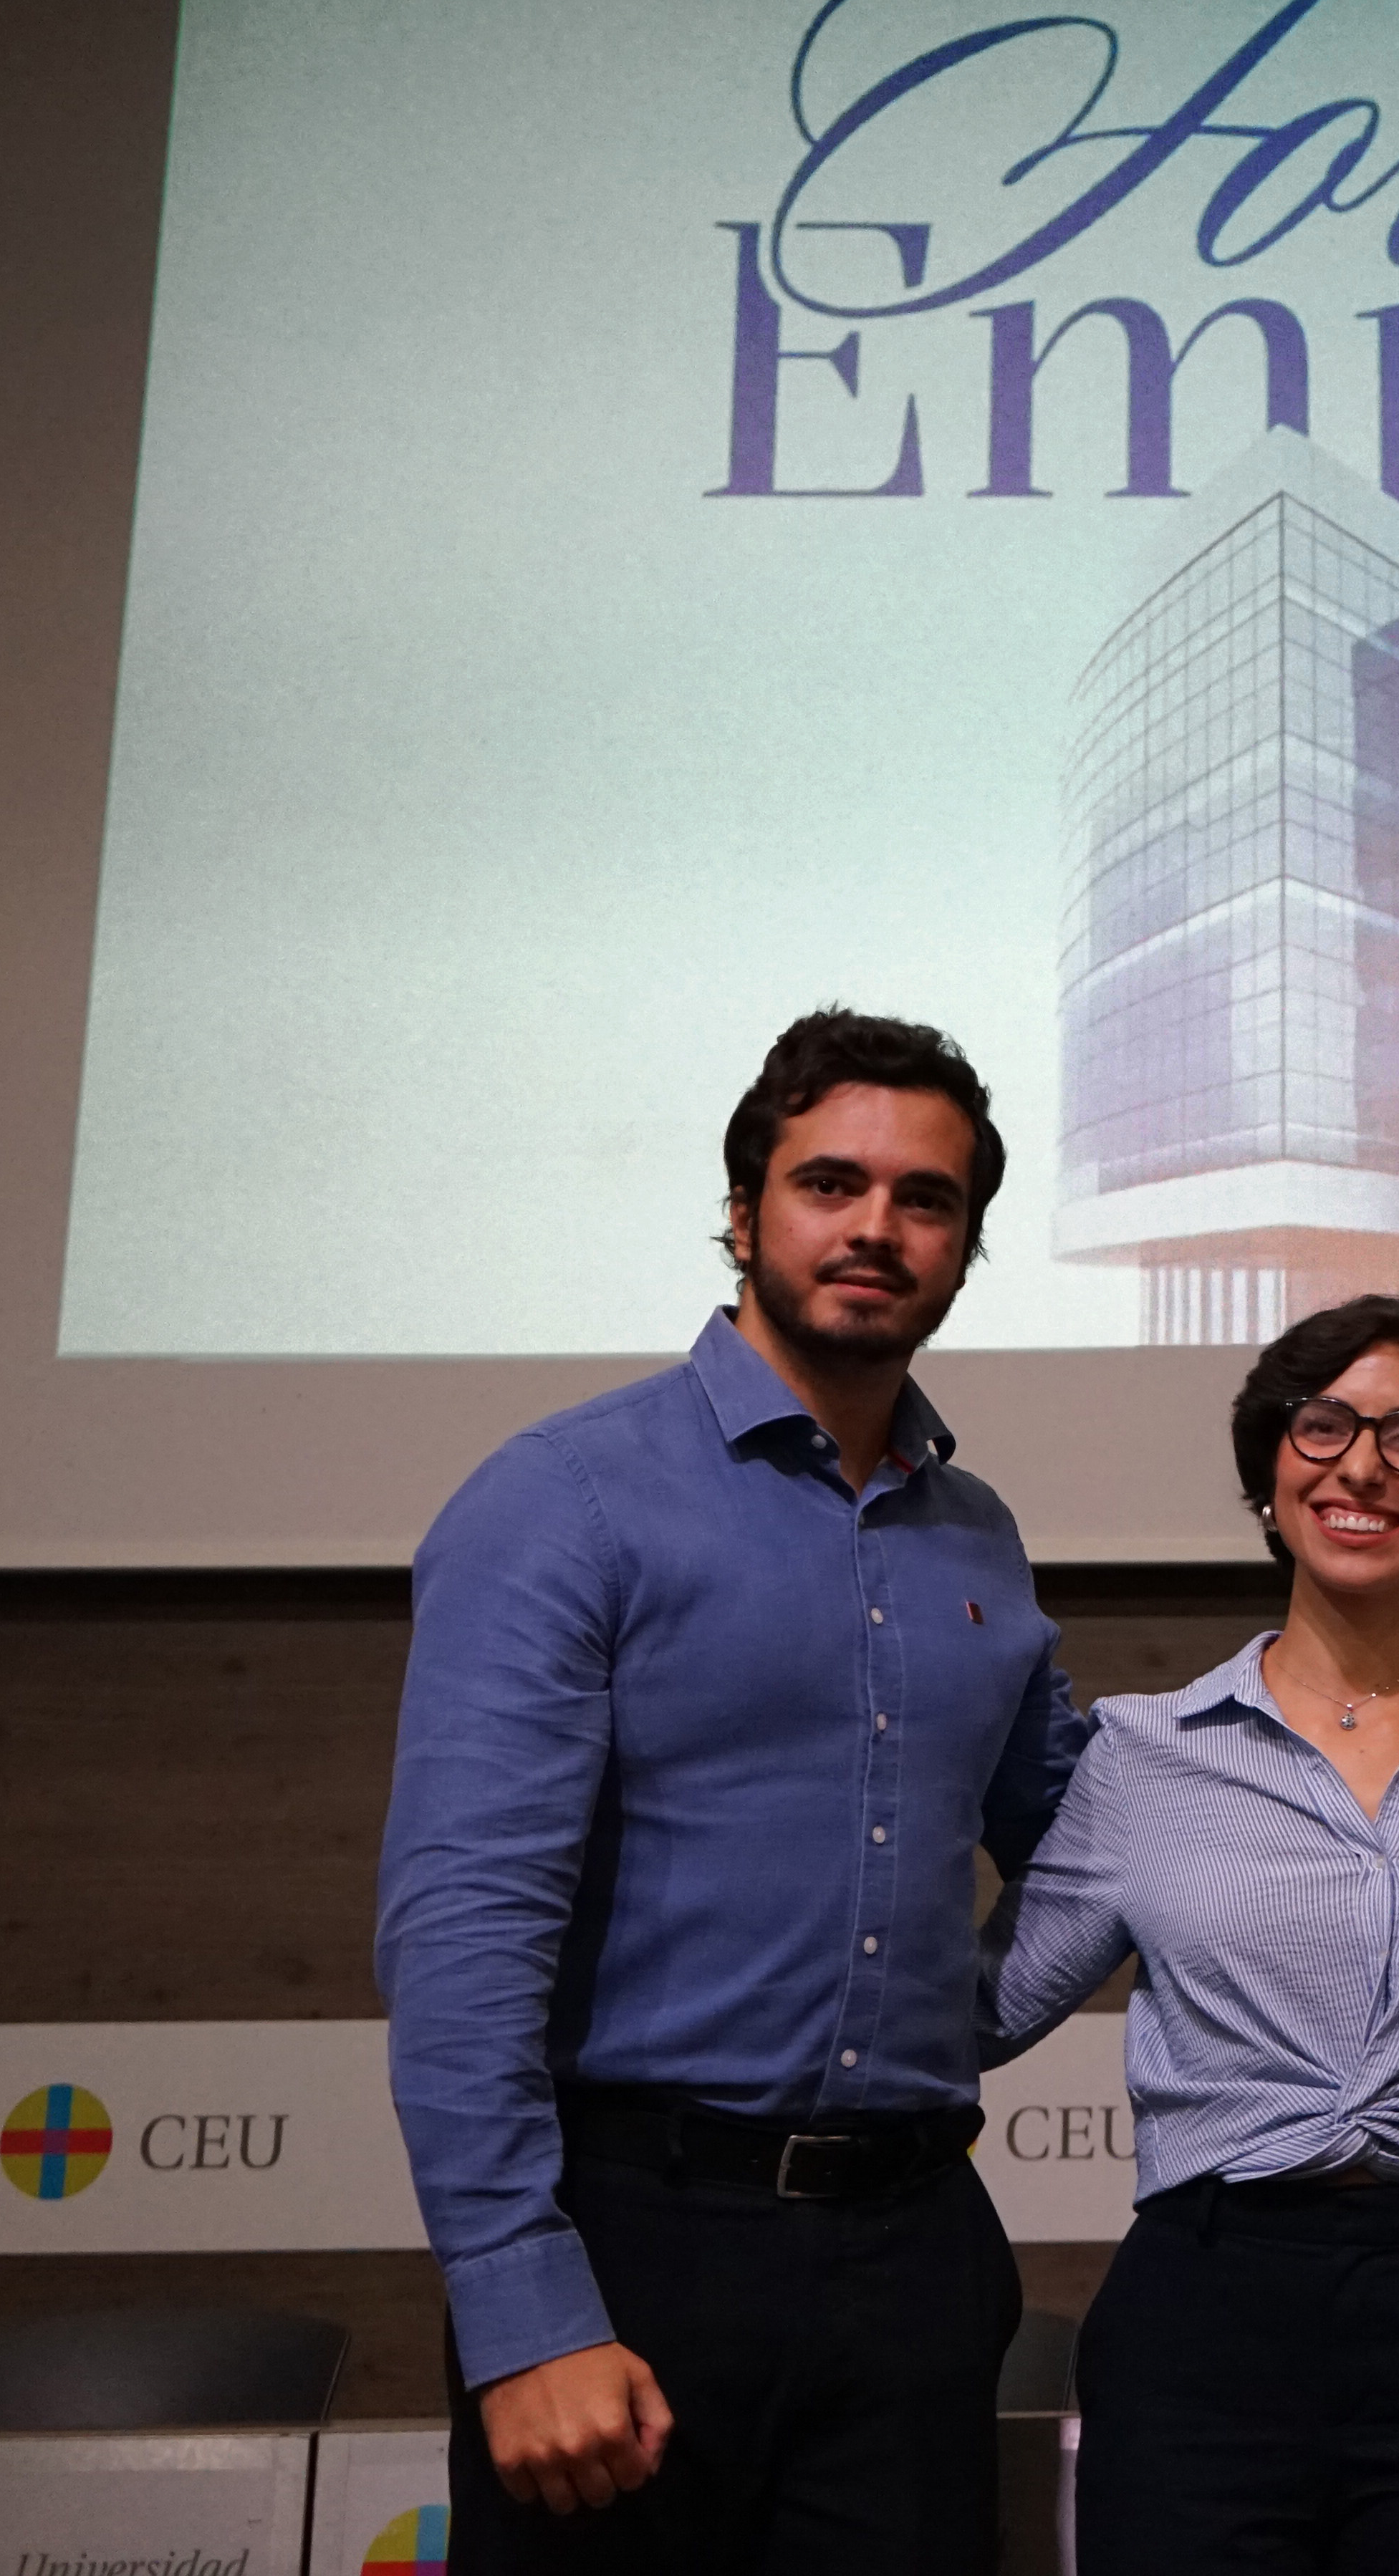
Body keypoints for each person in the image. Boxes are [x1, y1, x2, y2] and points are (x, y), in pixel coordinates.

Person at [374, 1009, 1087, 2576]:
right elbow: (465, 1933)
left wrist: (965, 2013)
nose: (876, 1227)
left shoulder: (976, 1531)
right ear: (746, 1209)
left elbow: (1089, 1839)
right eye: (832, 1182)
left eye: (926, 1199)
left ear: (967, 1246)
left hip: (914, 2263)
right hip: (634, 2259)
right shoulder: (562, 1498)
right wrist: (520, 2307)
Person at [985, 1293, 1399, 2576]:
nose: (1362, 1466)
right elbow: (986, 2011)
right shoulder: (1145, 1753)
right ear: (1272, 1473)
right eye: (1323, 1426)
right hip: (1205, 2326)